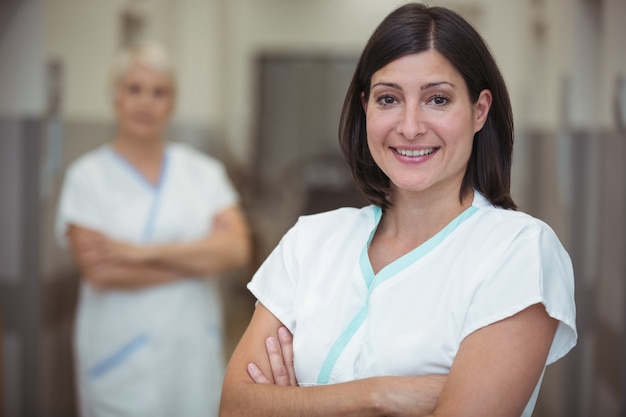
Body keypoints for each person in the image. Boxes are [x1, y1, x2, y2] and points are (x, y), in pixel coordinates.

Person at [219, 3, 577, 417]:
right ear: (365, 107)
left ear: (480, 111)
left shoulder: (517, 252)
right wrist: (377, 396)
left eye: (437, 99)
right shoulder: (311, 242)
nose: (409, 127)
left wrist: (292, 403)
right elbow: (235, 405)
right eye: (388, 98)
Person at [55, 41, 252, 417]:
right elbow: (100, 269)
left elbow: (236, 249)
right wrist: (199, 258)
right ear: (115, 98)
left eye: (159, 92)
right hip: (118, 356)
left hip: (191, 351)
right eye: (134, 90)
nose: (146, 102)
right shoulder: (87, 177)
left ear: (172, 102)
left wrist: (140, 252)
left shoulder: (202, 172)